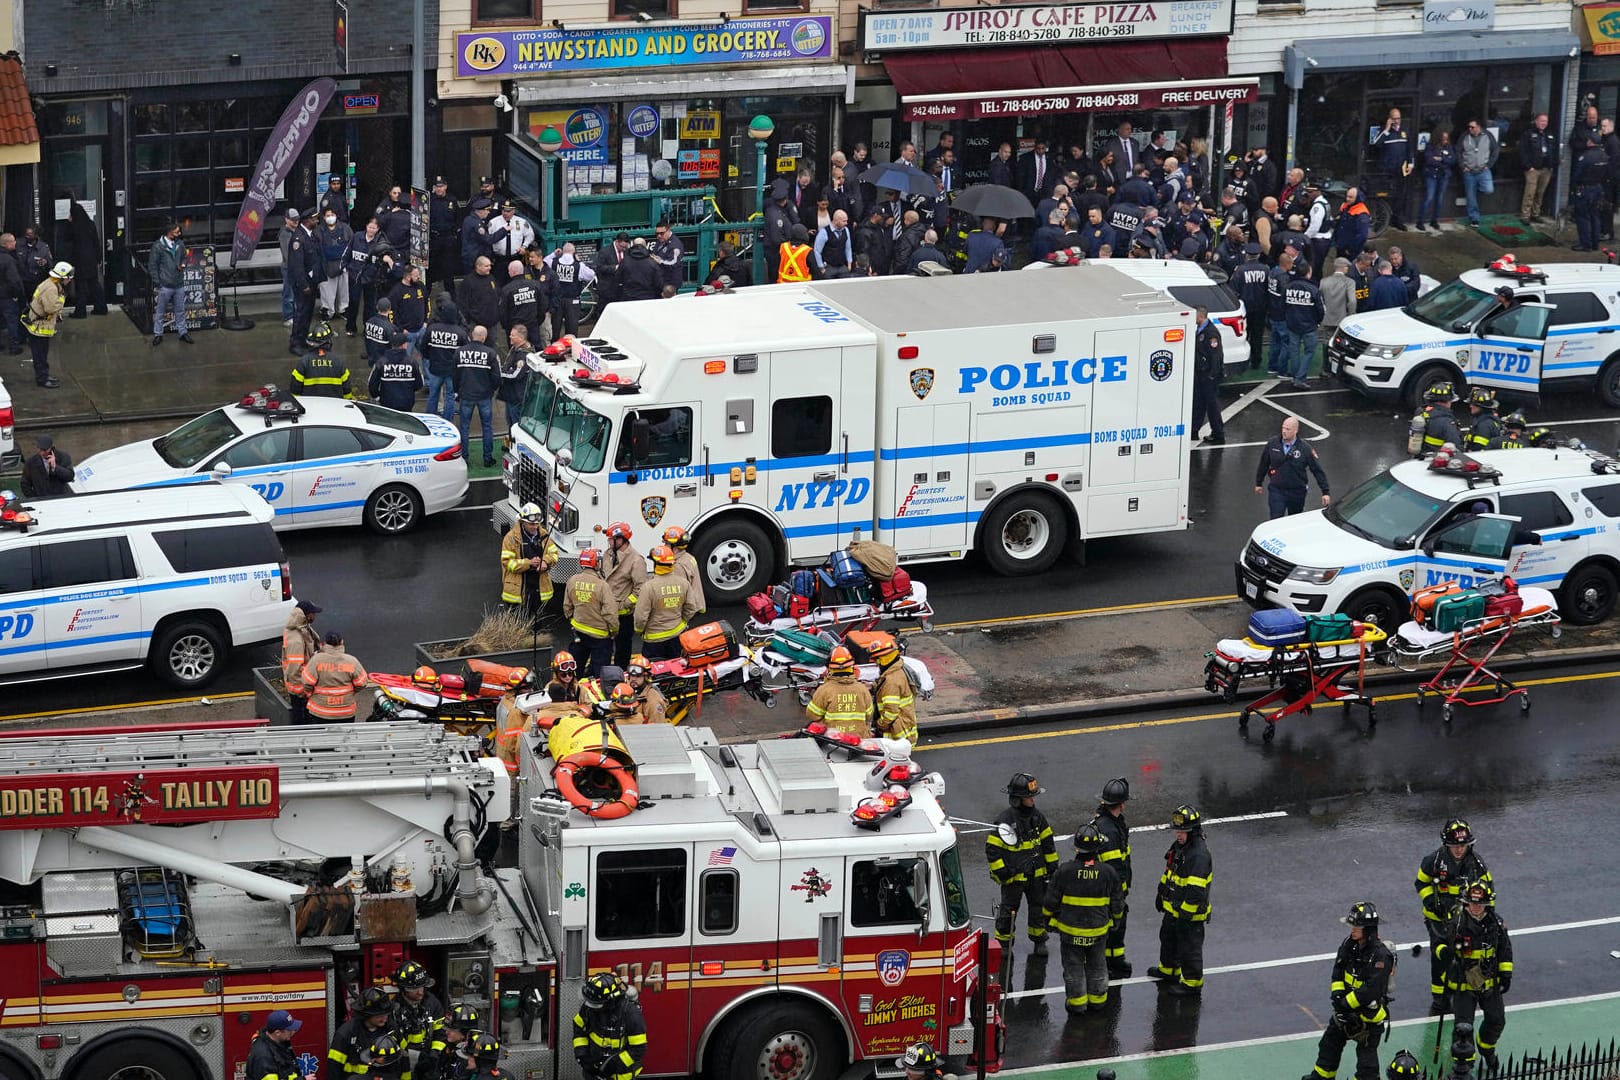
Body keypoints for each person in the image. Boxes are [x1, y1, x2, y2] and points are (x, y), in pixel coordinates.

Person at [1303, 902, 1394, 1080]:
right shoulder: (1349, 944)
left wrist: (1345, 1004)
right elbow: (1338, 969)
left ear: (1368, 929)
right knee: (1329, 1045)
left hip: (1368, 1019)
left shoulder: (1381, 956)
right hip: (1345, 1012)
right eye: (1352, 925)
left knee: (1367, 1065)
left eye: (1357, 926)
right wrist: (1337, 996)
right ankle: (1322, 1077)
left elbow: (1370, 991)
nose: (1352, 929)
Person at [1043, 824, 1124, 1017]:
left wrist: (1048, 922)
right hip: (1098, 932)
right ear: (1097, 849)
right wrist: (1116, 922)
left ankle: (1077, 1004)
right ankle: (1098, 1002)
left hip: (1070, 933)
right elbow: (1117, 903)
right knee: (1097, 966)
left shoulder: (1064, 871)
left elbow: (1050, 901)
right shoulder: (1108, 872)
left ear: (1077, 848)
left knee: (1073, 968)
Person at [1433, 880, 1512, 1073]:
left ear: (1486, 903)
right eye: (1472, 903)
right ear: (1466, 902)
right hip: (1463, 986)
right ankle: (1464, 1063)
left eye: (1479, 903)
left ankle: (1486, 1048)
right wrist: (1446, 953)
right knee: (1462, 1027)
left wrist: (1506, 973)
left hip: (1489, 983)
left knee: (1496, 1020)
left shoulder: (1496, 923)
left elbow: (1505, 949)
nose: (1476, 907)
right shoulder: (1456, 922)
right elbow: (1438, 944)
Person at [1415, 818, 1492, 1013]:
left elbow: (1488, 891)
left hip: (1466, 920)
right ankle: (1440, 998)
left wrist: (1486, 917)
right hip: (1438, 919)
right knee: (1441, 955)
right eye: (1455, 845)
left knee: (1467, 954)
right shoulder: (1433, 861)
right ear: (1446, 844)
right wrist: (1431, 902)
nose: (1459, 849)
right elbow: (1421, 883)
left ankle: (1465, 990)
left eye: (1463, 845)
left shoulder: (1477, 864)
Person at [986, 772, 1058, 952]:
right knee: (1008, 911)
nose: (1033, 800)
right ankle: (1003, 943)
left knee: (1037, 908)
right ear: (1018, 799)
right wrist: (1002, 872)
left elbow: (1048, 844)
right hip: (1014, 878)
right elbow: (992, 850)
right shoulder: (1005, 821)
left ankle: (1039, 939)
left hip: (1037, 876)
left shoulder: (1038, 818)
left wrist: (1052, 869)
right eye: (1030, 797)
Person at [1149, 803, 1211, 996]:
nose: (1178, 834)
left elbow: (1196, 891)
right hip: (1173, 909)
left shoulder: (1198, 856)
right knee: (1168, 940)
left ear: (1193, 832)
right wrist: (1161, 894)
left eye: (1183, 831)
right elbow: (1170, 873)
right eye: (1177, 831)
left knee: (1189, 949)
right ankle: (1169, 971)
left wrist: (1185, 914)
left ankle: (1192, 984)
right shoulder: (1180, 848)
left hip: (1189, 916)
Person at [1090, 778, 1134, 977]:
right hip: (1109, 890)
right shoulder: (1110, 829)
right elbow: (1114, 865)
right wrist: (1120, 890)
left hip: (1105, 887)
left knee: (1115, 926)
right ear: (1122, 804)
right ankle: (1108, 963)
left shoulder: (1109, 823)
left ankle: (1115, 959)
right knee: (1113, 925)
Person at [572, 972, 646, 1080]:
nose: (592, 1007)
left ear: (611, 1000)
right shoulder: (590, 1006)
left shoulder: (630, 1014)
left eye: (596, 1004)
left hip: (621, 1076)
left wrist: (613, 1065)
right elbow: (579, 1029)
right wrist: (583, 1055)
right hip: (592, 1073)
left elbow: (638, 1049)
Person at [1255, 415, 1330, 518]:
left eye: (1288, 429)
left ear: (1295, 430)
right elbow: (1264, 463)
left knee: (1294, 520)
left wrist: (1325, 491)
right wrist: (1259, 483)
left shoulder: (1305, 449)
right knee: (1276, 519)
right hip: (1277, 490)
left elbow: (1317, 470)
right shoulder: (1272, 444)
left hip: (1297, 492)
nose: (1284, 431)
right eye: (1283, 428)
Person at [633, 545, 698, 661]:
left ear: (655, 564)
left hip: (654, 640)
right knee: (676, 671)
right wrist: (681, 621)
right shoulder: (683, 583)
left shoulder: (649, 587)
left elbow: (640, 617)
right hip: (677, 636)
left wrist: (639, 630)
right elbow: (691, 608)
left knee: (654, 674)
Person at [564, 548, 617, 676]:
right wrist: (614, 631)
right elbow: (610, 613)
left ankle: (574, 693)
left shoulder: (572, 580)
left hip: (579, 632)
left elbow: (567, 606)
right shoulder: (602, 585)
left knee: (575, 669)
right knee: (601, 674)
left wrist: (573, 620)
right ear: (596, 563)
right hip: (600, 636)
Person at [455, 325, 501, 466]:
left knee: (464, 427)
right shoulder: (491, 353)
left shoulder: (459, 352)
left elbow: (455, 375)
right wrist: (491, 390)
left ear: (472, 335)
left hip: (466, 394)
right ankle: (487, 458)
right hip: (484, 395)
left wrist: (458, 391)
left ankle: (464, 458)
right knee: (487, 426)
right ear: (484, 337)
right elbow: (496, 378)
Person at [300, 631, 369, 722]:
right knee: (344, 736)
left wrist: (311, 694)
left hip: (320, 711)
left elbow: (307, 682)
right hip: (345, 712)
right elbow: (362, 683)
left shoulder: (316, 660)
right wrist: (350, 693)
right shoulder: (351, 661)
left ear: (325, 643)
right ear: (342, 642)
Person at [805, 646, 874, 736]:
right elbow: (869, 714)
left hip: (833, 740)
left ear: (831, 668)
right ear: (851, 667)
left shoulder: (825, 690)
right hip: (859, 740)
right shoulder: (862, 689)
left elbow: (812, 714)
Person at [345, 218, 396, 337]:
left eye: (374, 228)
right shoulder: (357, 236)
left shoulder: (380, 243)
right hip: (355, 276)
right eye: (370, 227)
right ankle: (350, 327)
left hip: (371, 278)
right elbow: (347, 251)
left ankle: (368, 328)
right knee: (353, 302)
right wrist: (345, 266)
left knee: (370, 305)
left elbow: (388, 258)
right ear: (366, 226)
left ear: (378, 229)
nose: (371, 230)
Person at [25, 260, 72, 389]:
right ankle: (42, 379)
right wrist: (62, 300)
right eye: (68, 277)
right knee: (39, 355)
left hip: (41, 326)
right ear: (62, 277)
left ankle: (44, 375)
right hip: (39, 328)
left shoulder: (52, 284)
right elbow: (51, 308)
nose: (70, 280)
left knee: (42, 354)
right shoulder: (51, 288)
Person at [328, 987, 394, 1076]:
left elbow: (403, 1061)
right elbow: (334, 1069)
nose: (385, 1017)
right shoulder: (346, 1033)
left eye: (386, 1013)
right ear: (367, 1014)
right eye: (380, 1015)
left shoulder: (391, 1029)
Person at [147, 220, 192, 346]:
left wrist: (183, 264)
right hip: (165, 285)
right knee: (160, 311)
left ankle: (183, 332)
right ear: (169, 232)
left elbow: (184, 257)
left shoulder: (180, 244)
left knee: (180, 310)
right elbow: (152, 266)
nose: (179, 233)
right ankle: (158, 334)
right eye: (177, 231)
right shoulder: (158, 246)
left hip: (178, 284)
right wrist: (158, 282)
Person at [866, 635, 918, 744]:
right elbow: (884, 688)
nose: (876, 663)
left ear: (885, 658)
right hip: (903, 729)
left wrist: (879, 726)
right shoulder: (894, 671)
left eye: (877, 659)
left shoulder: (892, 681)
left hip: (896, 736)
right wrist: (873, 687)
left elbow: (891, 712)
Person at [422, 297, 465, 421]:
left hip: (435, 368)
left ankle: (430, 419)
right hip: (452, 370)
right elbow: (464, 353)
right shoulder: (460, 332)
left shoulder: (432, 329)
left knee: (433, 394)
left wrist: (430, 358)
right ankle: (448, 420)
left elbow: (423, 347)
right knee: (450, 396)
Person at [281, 600, 322, 726]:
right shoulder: (296, 640)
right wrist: (304, 690)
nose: (315, 616)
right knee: (301, 719)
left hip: (302, 684)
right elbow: (295, 668)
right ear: (308, 615)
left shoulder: (301, 627)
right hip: (300, 688)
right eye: (314, 613)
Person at [1373, 108, 1415, 231]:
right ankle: (1381, 220)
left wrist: (1411, 164)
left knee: (1400, 195)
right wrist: (1386, 129)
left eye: (1398, 118)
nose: (1397, 121)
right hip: (1386, 169)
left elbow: (1410, 149)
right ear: (1389, 119)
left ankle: (1397, 220)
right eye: (1394, 118)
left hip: (1400, 169)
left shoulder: (1404, 131)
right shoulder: (1384, 131)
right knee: (1384, 195)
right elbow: (1376, 144)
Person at [390, 960, 445, 1053]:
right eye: (414, 989)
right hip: (404, 1057)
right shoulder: (394, 1010)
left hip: (429, 1053)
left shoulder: (432, 1002)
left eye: (422, 987)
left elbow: (440, 1031)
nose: (420, 992)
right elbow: (394, 1038)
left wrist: (435, 1052)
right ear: (404, 989)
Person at [287, 213, 322, 356]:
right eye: (314, 219)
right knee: (301, 313)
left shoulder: (311, 235)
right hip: (303, 284)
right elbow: (297, 265)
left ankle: (303, 338)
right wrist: (303, 284)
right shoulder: (298, 238)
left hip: (311, 281)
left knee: (308, 313)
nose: (316, 221)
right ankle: (295, 342)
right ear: (307, 221)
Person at [419, 1003, 482, 1080]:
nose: (446, 1032)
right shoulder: (451, 1046)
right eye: (446, 1028)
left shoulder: (474, 1055)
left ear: (465, 1032)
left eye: (451, 1030)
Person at [1191, 306, 1225, 445]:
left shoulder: (1211, 333)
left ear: (1200, 316)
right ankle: (1194, 430)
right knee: (1198, 402)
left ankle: (1218, 433)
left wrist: (1212, 375)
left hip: (1208, 375)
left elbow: (1216, 356)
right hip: (1200, 373)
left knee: (1212, 405)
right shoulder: (1200, 331)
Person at [291, 323, 352, 398]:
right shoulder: (338, 362)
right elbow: (347, 388)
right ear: (329, 341)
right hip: (335, 406)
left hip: (311, 407)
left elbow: (295, 388)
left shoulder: (304, 362)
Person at [1458, 119, 1499, 228]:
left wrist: (1489, 165)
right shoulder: (1465, 136)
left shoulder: (1488, 135)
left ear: (1478, 127)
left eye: (1472, 127)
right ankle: (1474, 219)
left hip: (1483, 169)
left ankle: (1478, 187)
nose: (1470, 129)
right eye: (1469, 127)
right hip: (1469, 171)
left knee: (1489, 189)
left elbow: (1495, 150)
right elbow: (1458, 151)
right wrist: (1463, 166)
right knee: (1471, 197)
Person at [315, 206, 354, 319]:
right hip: (326, 265)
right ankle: (327, 311)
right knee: (327, 291)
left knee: (344, 290)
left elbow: (352, 244)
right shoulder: (318, 231)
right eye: (328, 215)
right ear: (323, 217)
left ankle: (343, 309)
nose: (330, 217)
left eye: (332, 215)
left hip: (343, 265)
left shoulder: (345, 228)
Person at [368, 331, 422, 411]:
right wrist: (408, 391)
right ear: (404, 345)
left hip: (387, 404)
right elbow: (419, 384)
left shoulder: (381, 362)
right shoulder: (412, 362)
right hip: (407, 403)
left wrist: (379, 396)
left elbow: (372, 384)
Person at [245, 1008, 304, 1080]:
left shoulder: (277, 1042)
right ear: (277, 1033)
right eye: (289, 1030)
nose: (293, 1031)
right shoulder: (263, 1057)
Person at [659, 526, 705, 616]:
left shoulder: (678, 567)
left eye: (666, 544)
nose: (664, 546)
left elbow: (679, 596)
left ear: (674, 546)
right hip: (696, 605)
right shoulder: (688, 557)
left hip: (688, 611)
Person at [1521, 112, 1557, 223]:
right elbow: (1523, 151)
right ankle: (1525, 216)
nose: (1543, 123)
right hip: (1533, 169)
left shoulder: (1550, 134)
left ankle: (1535, 213)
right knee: (1530, 193)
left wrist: (1552, 165)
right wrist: (1528, 166)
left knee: (1540, 193)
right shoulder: (1528, 134)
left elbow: (1554, 150)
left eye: (1545, 121)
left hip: (1546, 169)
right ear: (1536, 121)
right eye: (1541, 121)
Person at [1412, 382, 1465, 458]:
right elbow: (1456, 447)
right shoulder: (1447, 422)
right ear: (1448, 400)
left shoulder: (1421, 411)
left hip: (1419, 456)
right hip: (1437, 460)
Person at [487, 201, 536, 281]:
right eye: (503, 210)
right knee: (499, 282)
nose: (505, 213)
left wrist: (524, 246)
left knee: (517, 281)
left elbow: (530, 235)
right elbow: (487, 239)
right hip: (499, 259)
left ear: (514, 210)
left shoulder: (521, 222)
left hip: (515, 257)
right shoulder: (493, 222)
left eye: (508, 211)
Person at [427, 177, 460, 290]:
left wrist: (454, 235)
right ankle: (427, 294)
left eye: (441, 186)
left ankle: (451, 295)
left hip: (448, 239)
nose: (439, 189)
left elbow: (457, 219)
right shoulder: (429, 200)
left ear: (445, 186)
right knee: (430, 269)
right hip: (434, 238)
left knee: (448, 269)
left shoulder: (452, 200)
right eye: (437, 187)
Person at [458, 255, 502, 340]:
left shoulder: (491, 278)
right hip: (475, 324)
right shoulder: (468, 282)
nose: (489, 268)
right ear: (478, 266)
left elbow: (498, 294)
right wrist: (469, 320)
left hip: (492, 324)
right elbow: (463, 303)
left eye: (490, 265)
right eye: (486, 266)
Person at [1265, 251, 1295, 377]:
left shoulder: (1272, 272)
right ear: (1287, 264)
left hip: (1272, 312)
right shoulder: (1283, 278)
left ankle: (1272, 366)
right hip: (1282, 315)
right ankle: (1282, 371)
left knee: (1274, 342)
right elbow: (1286, 298)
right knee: (1285, 343)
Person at [1420, 131, 1456, 233]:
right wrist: (1444, 161)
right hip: (1431, 175)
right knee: (1429, 197)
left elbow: (1452, 160)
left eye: (1447, 139)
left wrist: (1441, 159)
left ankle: (1434, 220)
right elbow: (1429, 160)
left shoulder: (1449, 146)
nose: (1445, 141)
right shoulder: (1431, 146)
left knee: (1439, 199)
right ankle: (1420, 221)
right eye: (1443, 139)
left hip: (1443, 176)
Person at [1321, 258, 1357, 345]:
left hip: (1327, 319)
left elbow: (1320, 300)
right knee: (1341, 345)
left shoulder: (1323, 281)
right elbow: (1352, 301)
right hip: (1343, 320)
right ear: (1344, 268)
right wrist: (1351, 316)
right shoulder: (1350, 282)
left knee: (1326, 344)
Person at [624, 656, 668, 725]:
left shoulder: (653, 702)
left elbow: (657, 730)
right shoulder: (627, 687)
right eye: (632, 676)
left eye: (638, 676)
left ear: (646, 677)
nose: (633, 679)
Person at [814, 210, 854, 278]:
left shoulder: (846, 230)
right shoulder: (824, 232)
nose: (846, 223)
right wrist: (821, 268)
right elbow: (817, 251)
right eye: (844, 221)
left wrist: (849, 263)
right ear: (836, 221)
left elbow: (848, 248)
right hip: (829, 267)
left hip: (842, 267)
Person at [1333, 188, 1370, 260]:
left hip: (1351, 252)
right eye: (1347, 196)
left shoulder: (1361, 213)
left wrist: (1351, 249)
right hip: (1341, 247)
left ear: (1357, 198)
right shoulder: (1346, 206)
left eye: (1351, 197)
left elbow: (1362, 235)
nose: (1347, 199)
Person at [1465, 386, 1503, 450]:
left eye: (1473, 404)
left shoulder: (1483, 426)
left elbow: (1478, 449)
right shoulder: (1485, 420)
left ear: (1482, 407)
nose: (1470, 406)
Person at [363, 297, 396, 366]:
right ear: (389, 308)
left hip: (372, 359)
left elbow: (367, 340)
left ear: (377, 307)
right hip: (384, 362)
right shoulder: (390, 327)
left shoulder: (369, 322)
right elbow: (393, 346)